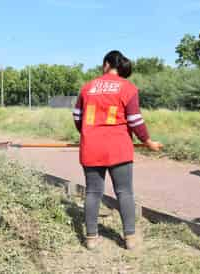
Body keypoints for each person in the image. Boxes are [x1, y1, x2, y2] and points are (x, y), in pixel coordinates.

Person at [73, 50, 162, 250]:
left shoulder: (87, 88)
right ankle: (130, 238)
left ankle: (91, 238)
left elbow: (77, 117)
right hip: (119, 148)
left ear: (106, 64)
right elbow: (135, 120)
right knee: (124, 192)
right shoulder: (128, 88)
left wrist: (87, 132)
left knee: (93, 192)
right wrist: (147, 141)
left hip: (91, 147)